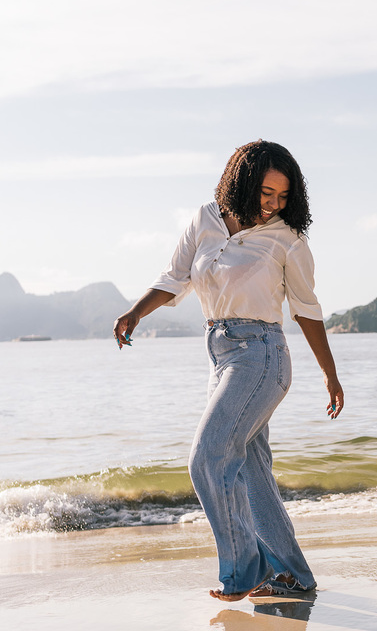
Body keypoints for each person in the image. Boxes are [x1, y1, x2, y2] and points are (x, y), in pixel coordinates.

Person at [114, 140, 344, 602]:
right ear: (241, 183)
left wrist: (329, 373)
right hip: (221, 357)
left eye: (282, 197)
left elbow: (306, 309)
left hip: (262, 357)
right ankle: (293, 574)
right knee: (251, 472)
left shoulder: (288, 238)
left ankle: (243, 570)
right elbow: (174, 277)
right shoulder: (204, 219)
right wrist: (135, 313)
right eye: (265, 193)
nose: (274, 205)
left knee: (209, 454)